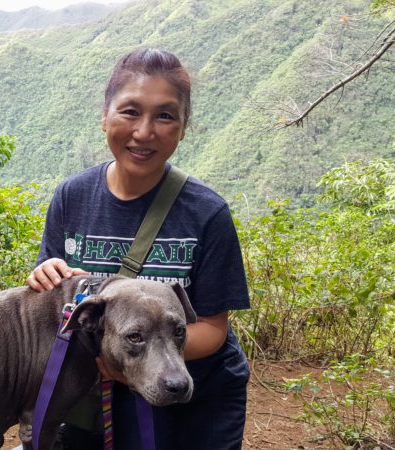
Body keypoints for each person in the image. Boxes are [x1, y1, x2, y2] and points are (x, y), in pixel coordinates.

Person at [26, 48, 250, 450]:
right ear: (105, 116)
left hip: (195, 399)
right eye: (130, 111)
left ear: (183, 128)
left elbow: (213, 330)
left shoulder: (206, 213)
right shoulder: (72, 197)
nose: (144, 132)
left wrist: (132, 363)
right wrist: (44, 279)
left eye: (165, 116)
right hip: (99, 395)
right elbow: (58, 306)